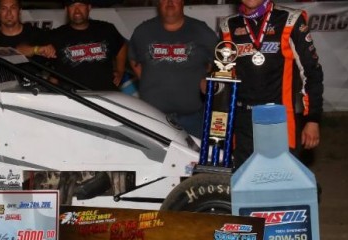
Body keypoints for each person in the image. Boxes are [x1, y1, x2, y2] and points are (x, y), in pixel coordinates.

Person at [219, 0, 324, 168]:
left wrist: (313, 119)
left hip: (279, 118)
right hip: (242, 123)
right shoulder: (228, 25)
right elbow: (224, 77)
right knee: (245, 183)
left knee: (282, 183)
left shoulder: (290, 20)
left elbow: (312, 72)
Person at [128, 0, 218, 138]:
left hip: (193, 119)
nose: (170, 2)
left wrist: (208, 77)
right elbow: (134, 59)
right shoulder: (143, 31)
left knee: (194, 158)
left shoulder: (201, 31)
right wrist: (149, 79)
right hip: (153, 117)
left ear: (182, 2)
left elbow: (221, 61)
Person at [49, 0, 128, 91]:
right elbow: (55, 72)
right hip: (73, 98)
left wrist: (120, 70)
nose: (77, 10)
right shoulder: (57, 35)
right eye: (72, 6)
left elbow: (122, 46)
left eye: (81, 5)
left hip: (106, 95)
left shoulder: (106, 29)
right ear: (66, 10)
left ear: (89, 7)